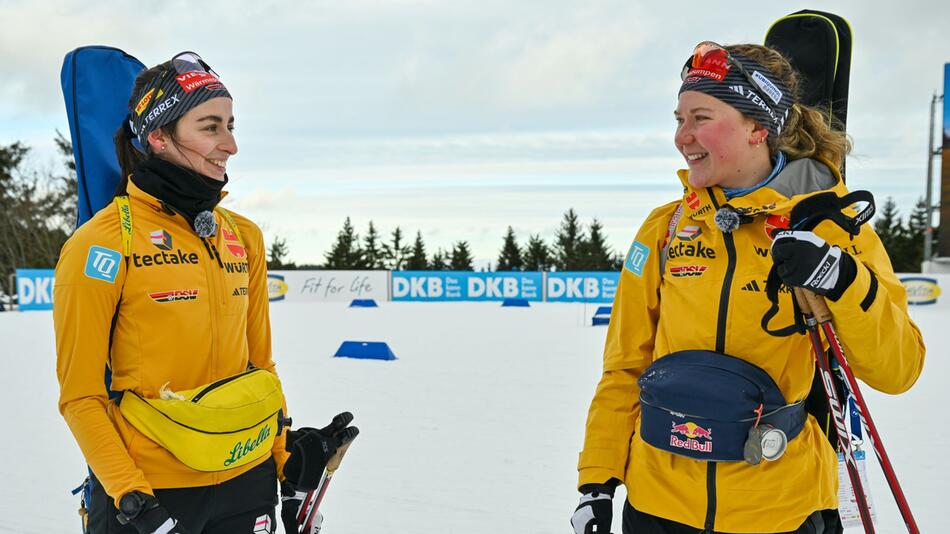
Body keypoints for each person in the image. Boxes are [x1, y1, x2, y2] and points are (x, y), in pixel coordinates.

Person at [571, 42, 925, 534]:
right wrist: (598, 481)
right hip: (656, 506)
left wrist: (841, 278)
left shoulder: (830, 229)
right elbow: (626, 366)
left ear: (759, 128)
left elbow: (898, 368)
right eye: (678, 119)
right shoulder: (665, 229)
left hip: (779, 509)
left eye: (700, 117)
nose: (682, 136)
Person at [54, 51, 356, 534]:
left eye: (231, 125)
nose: (231, 144)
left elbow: (261, 367)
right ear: (159, 136)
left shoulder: (244, 236)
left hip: (246, 482)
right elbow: (81, 396)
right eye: (210, 126)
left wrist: (284, 466)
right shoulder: (102, 242)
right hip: (154, 494)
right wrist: (132, 499)